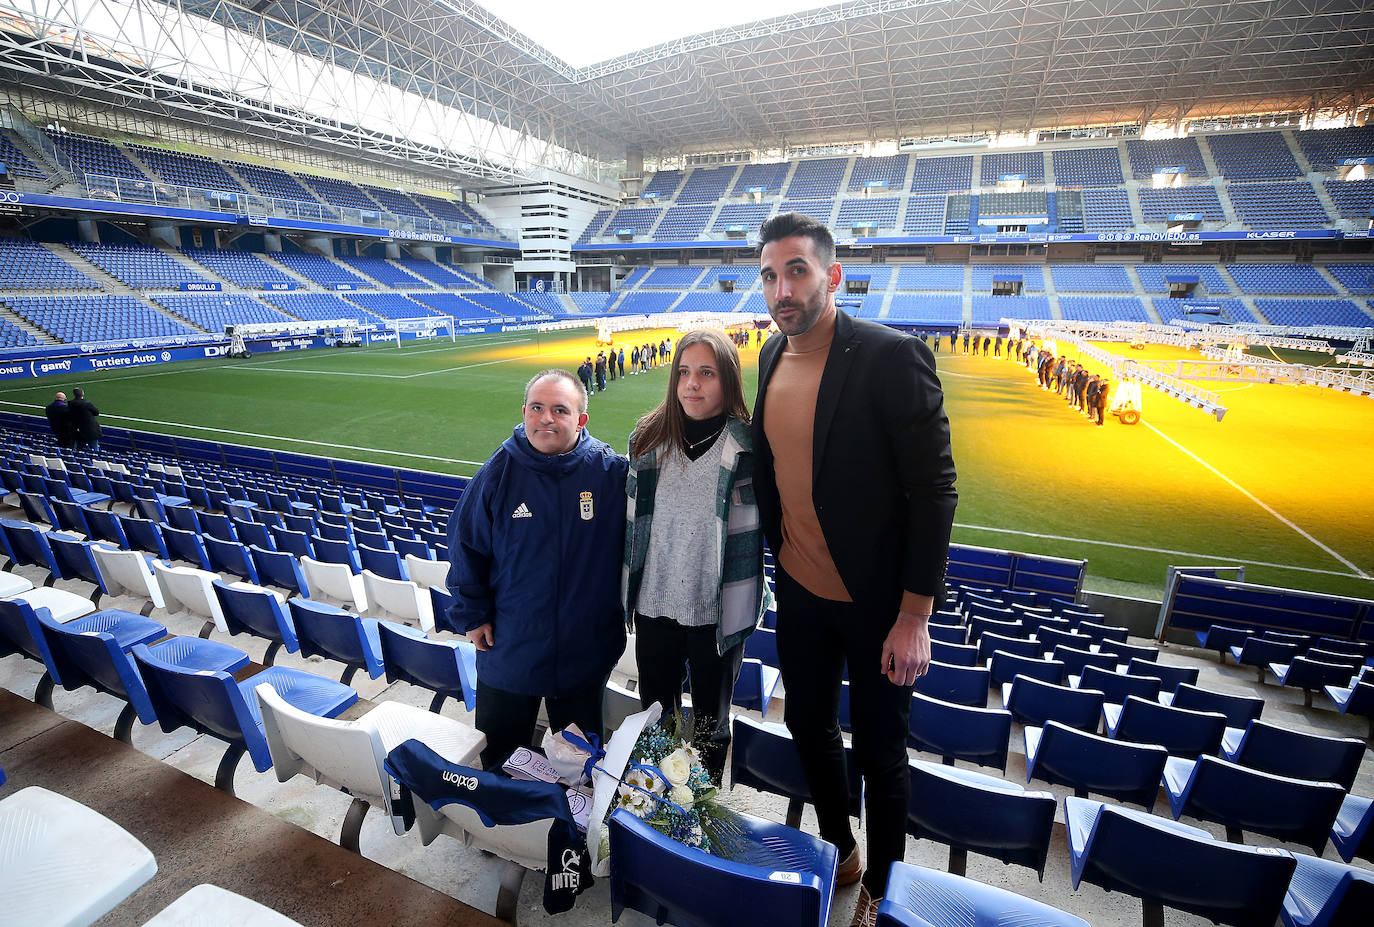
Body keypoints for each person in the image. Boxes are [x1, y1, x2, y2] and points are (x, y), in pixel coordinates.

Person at [753, 213, 958, 926]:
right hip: (802, 592)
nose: (783, 289)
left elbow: (935, 488)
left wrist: (914, 616)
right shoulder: (769, 358)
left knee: (880, 753)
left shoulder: (889, 356)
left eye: (797, 270)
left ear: (833, 275)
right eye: (771, 275)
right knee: (808, 726)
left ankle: (884, 887)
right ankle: (840, 846)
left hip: (879, 606)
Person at [444, 369, 629, 771]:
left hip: (584, 652)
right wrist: (473, 615)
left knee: (577, 769)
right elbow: (465, 546)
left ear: (581, 420)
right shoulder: (498, 472)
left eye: (560, 410)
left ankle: (565, 832)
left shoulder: (608, 472)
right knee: (501, 762)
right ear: (524, 412)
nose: (546, 418)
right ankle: (503, 829)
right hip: (510, 650)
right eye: (537, 408)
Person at [622, 329, 769, 784]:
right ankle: (655, 799)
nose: (692, 384)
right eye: (684, 372)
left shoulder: (751, 448)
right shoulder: (647, 439)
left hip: (717, 613)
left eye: (706, 373)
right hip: (654, 606)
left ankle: (699, 809)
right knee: (655, 718)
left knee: (710, 724)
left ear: (728, 380)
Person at [67, 387, 102, 452]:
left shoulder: (70, 404)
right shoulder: (87, 403)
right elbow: (96, 412)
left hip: (78, 429)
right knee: (95, 449)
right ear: (82, 393)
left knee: (78, 449)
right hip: (90, 430)